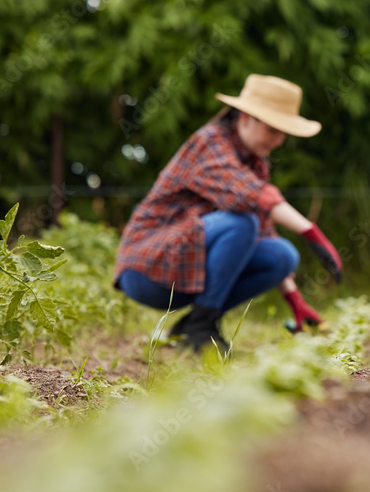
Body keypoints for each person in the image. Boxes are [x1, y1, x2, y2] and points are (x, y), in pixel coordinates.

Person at [114, 74, 343, 353]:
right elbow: (252, 193)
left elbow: (264, 230)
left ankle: (194, 327)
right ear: (246, 117)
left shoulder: (255, 163)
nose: (279, 140)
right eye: (273, 129)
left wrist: (296, 302)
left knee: (282, 255)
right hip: (147, 270)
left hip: (188, 266)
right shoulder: (209, 142)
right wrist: (311, 233)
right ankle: (201, 328)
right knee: (241, 223)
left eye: (284, 133)